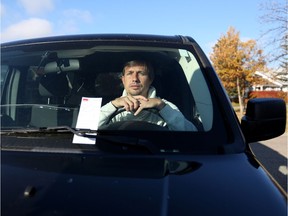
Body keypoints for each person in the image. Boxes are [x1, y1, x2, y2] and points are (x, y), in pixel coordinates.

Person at [98, 60, 197, 131]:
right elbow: (84, 130)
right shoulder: (111, 108)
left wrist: (160, 106)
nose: (135, 79)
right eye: (130, 73)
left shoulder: (165, 106)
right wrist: (114, 104)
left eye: (141, 73)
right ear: (123, 80)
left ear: (150, 79)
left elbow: (192, 134)